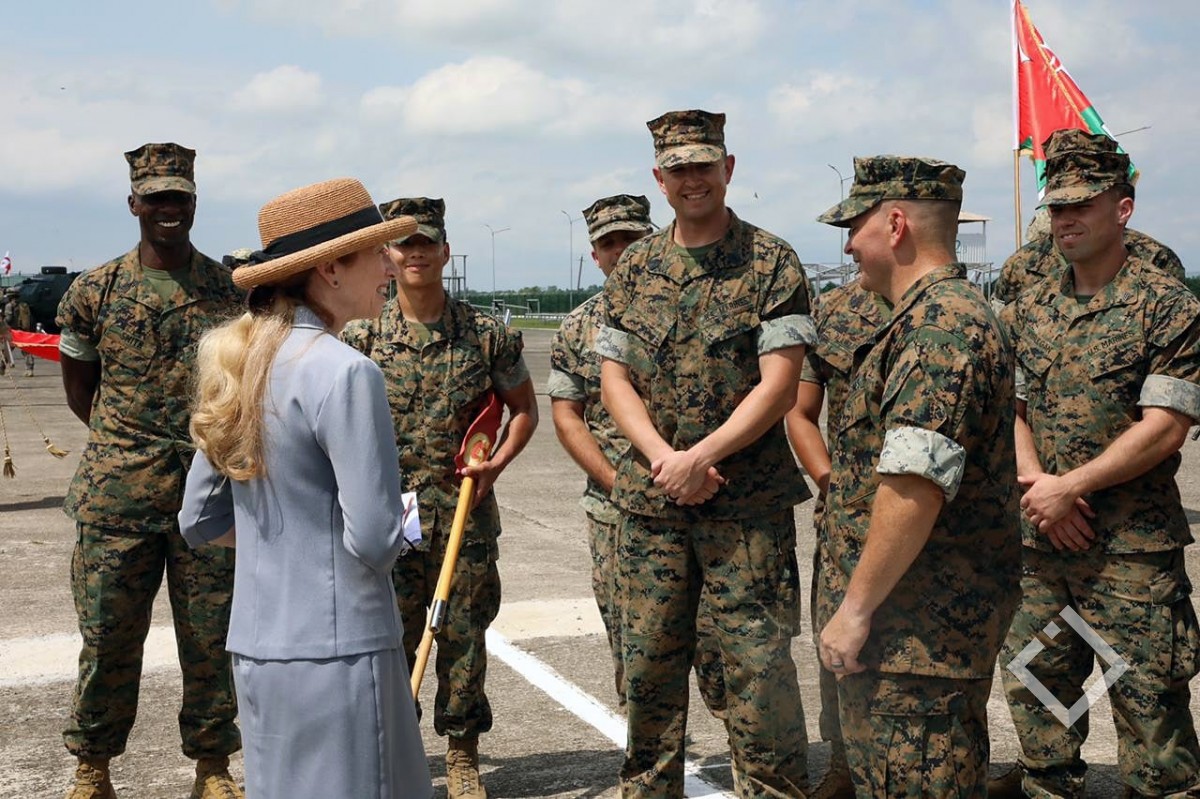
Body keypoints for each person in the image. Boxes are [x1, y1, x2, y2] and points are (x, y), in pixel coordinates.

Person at [178, 177, 432, 799]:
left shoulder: (244, 361)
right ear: (330, 269)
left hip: (259, 648)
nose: (391, 265)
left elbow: (198, 519)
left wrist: (287, 545)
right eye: (376, 252)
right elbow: (374, 539)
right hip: (341, 648)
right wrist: (401, 526)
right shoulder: (346, 371)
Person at [597, 109, 813, 798]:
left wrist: (702, 456)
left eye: (704, 165)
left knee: (759, 671)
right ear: (658, 179)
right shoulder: (635, 268)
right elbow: (614, 378)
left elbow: (780, 383)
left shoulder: (771, 261)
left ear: (729, 168)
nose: (693, 179)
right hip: (654, 505)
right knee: (649, 671)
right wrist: (666, 458)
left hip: (747, 509)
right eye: (678, 168)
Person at [995, 129, 1200, 798]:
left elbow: (1165, 425)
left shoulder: (1168, 307)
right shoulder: (1027, 307)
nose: (1066, 218)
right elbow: (1009, 409)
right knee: (1039, 688)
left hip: (1130, 548)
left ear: (1123, 207)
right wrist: (1041, 490)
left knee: (1150, 707)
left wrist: (1071, 487)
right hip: (1040, 540)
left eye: (1082, 203)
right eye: (1057, 206)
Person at [814, 156, 1020, 796]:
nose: (848, 245)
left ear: (896, 224)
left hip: (919, 641)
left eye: (856, 226)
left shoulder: (940, 330)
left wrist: (855, 609)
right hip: (909, 637)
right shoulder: (924, 318)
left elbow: (915, 487)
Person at [55, 143, 243, 799]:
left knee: (212, 641)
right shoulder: (95, 291)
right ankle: (94, 767)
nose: (169, 208)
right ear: (134, 202)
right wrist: (125, 444)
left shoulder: (227, 291)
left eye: (179, 197)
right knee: (107, 639)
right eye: (156, 197)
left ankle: (213, 768)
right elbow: (80, 388)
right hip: (118, 500)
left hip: (208, 499)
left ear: (195, 203)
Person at [342, 196, 538, 799]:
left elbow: (523, 410)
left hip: (463, 517)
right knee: (386, 637)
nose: (416, 255)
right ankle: (395, 752)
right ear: (387, 256)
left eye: (427, 244)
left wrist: (497, 463)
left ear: (446, 253)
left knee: (463, 637)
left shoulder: (485, 335)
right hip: (389, 519)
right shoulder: (361, 337)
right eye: (405, 246)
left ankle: (462, 754)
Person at [547, 194, 728, 730]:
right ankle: (648, 751)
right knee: (636, 649)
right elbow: (568, 416)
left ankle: (739, 743)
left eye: (632, 238)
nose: (622, 250)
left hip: (707, 501)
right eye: (610, 243)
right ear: (595, 255)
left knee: (722, 648)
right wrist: (619, 484)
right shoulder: (578, 327)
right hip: (618, 514)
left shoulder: (701, 304)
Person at [785, 276, 890, 799]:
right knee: (837, 646)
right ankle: (844, 765)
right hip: (848, 524)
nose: (850, 246)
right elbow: (799, 412)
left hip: (936, 521)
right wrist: (832, 483)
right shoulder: (834, 311)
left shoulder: (949, 309)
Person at [992, 209, 1184, 306]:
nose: (1068, 220)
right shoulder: (1021, 264)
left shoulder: (1155, 258)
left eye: (1082, 207)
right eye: (1058, 209)